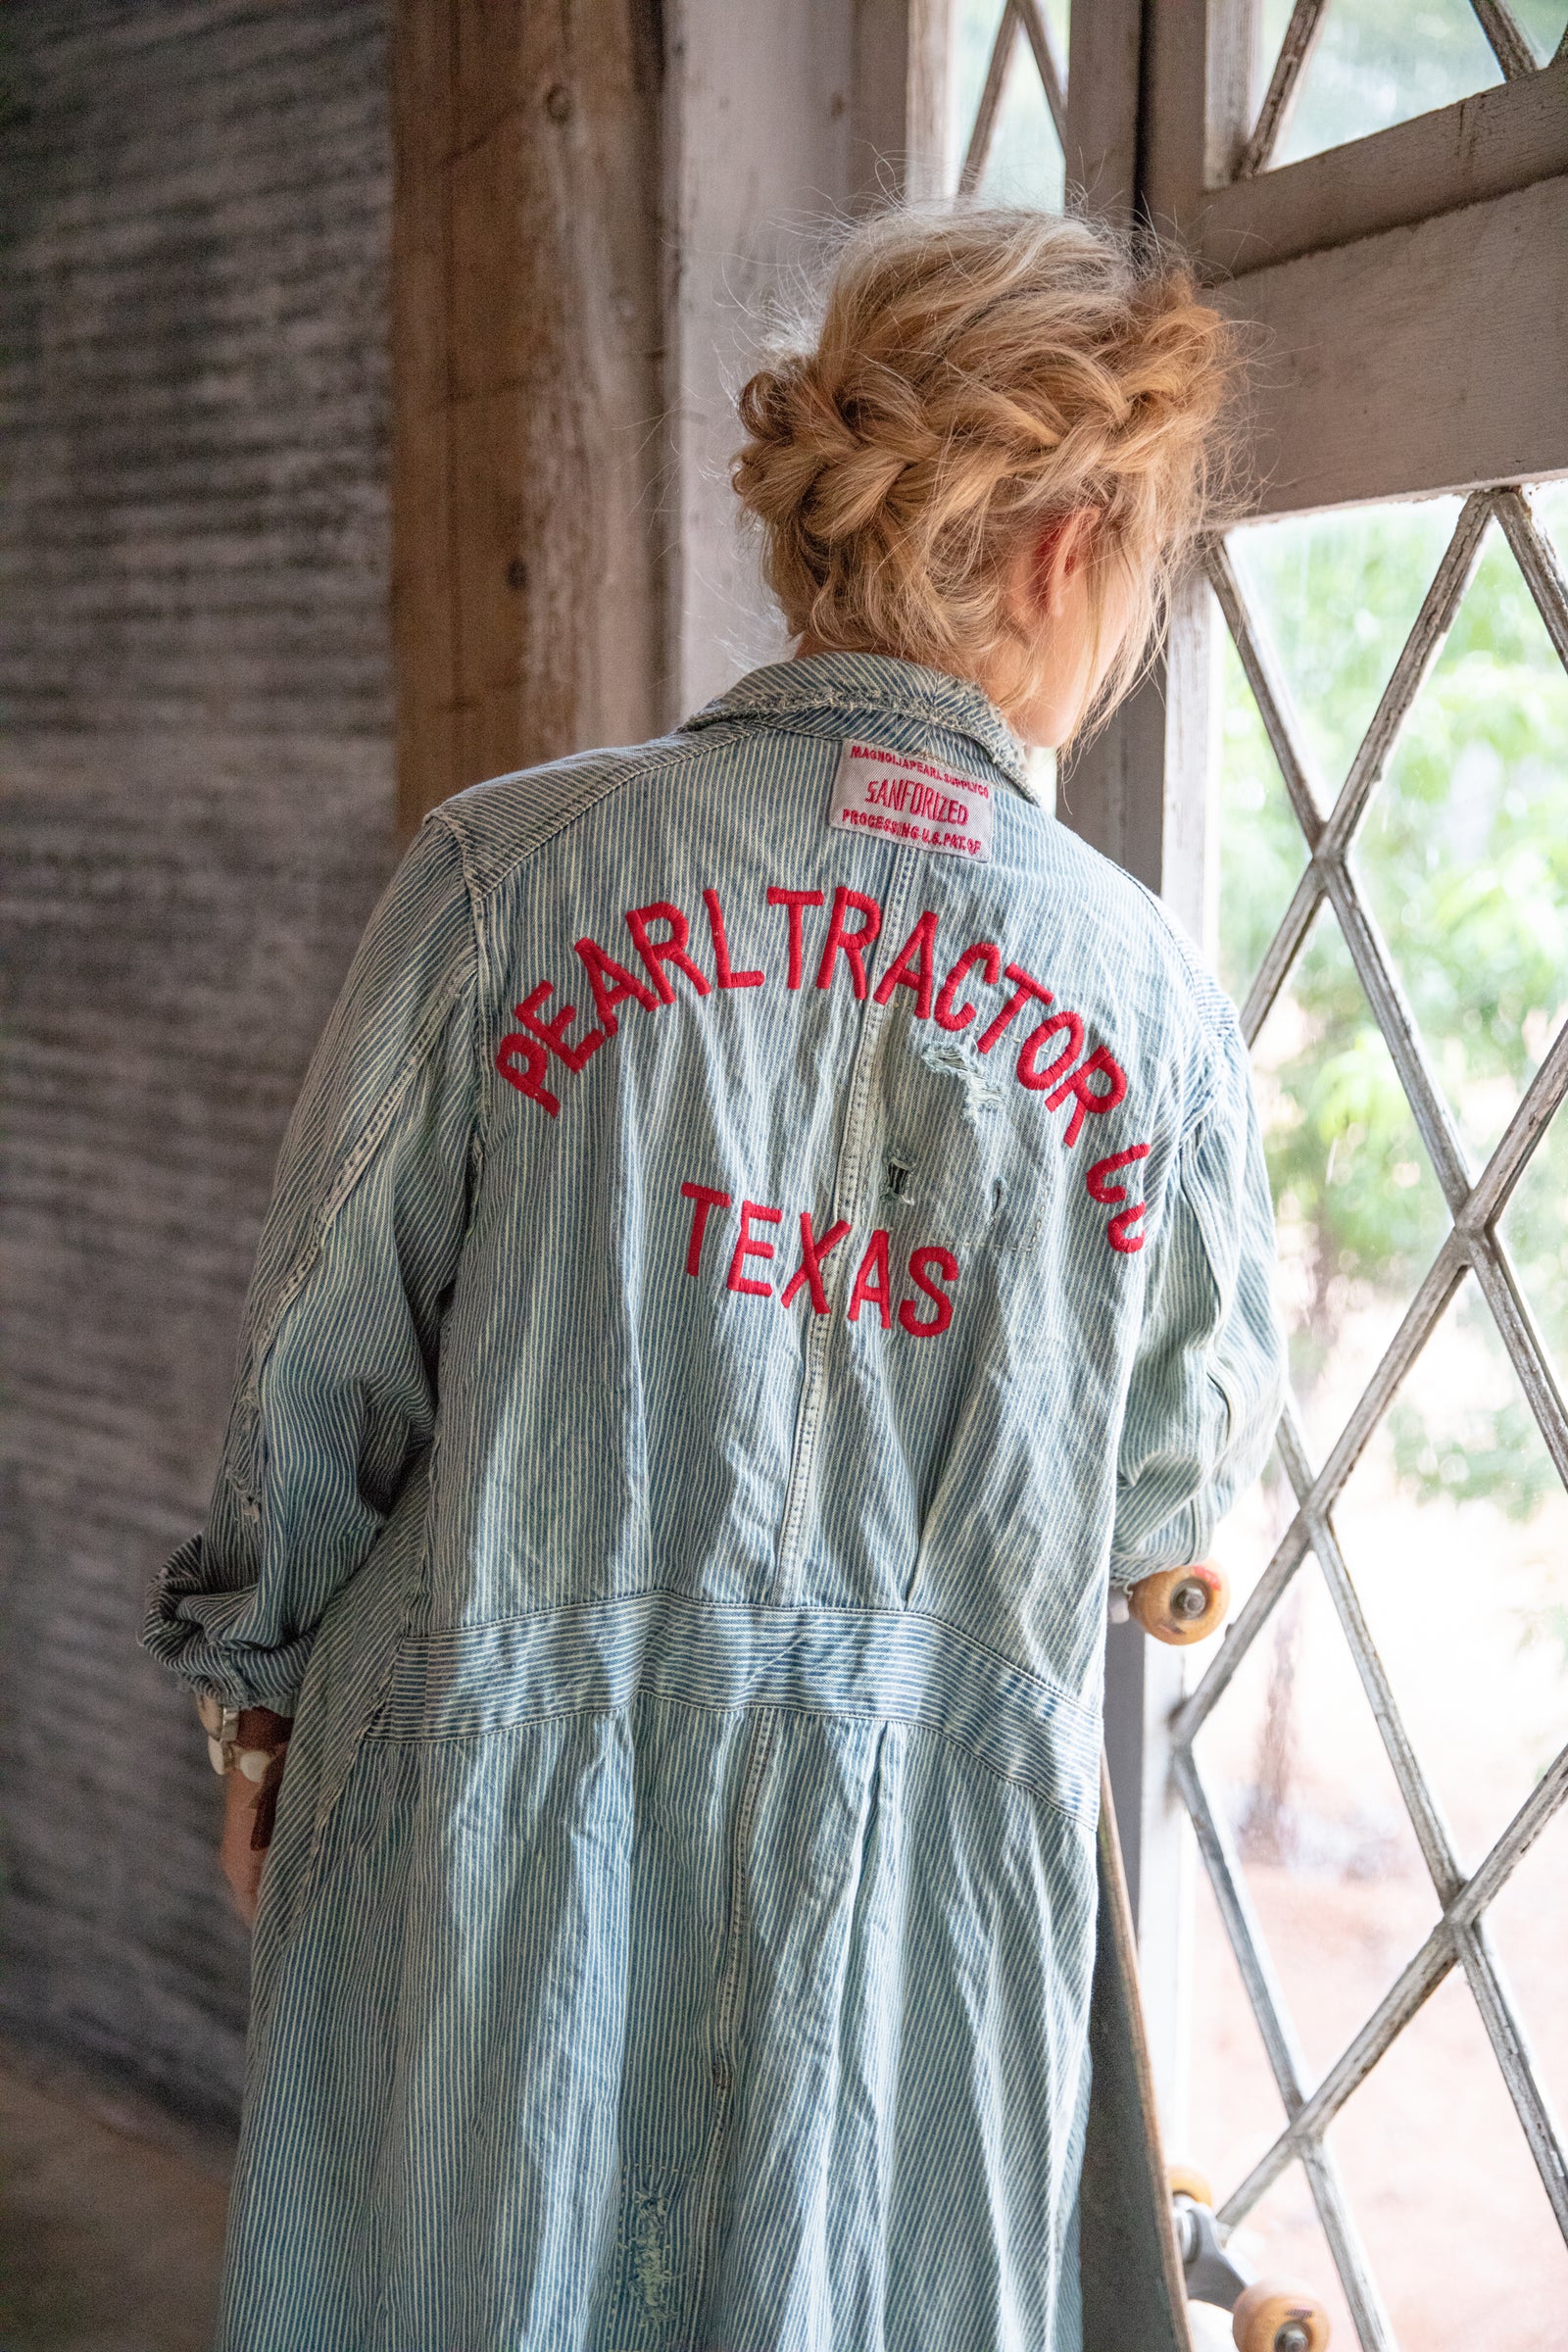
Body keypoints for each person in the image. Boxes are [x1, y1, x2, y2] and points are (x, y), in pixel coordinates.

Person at [144, 203, 1284, 2352]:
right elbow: (1165, 1486)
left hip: (485, 1816)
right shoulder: (1149, 1006)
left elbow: (320, 1366)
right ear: (1064, 551)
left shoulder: (510, 870)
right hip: (912, 1886)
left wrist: (255, 1706)